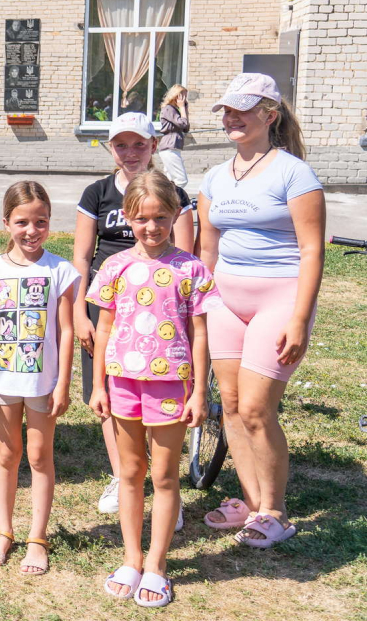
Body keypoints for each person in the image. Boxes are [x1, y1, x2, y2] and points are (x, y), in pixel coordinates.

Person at [197, 73, 325, 547]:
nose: (231, 117)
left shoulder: (294, 173)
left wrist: (299, 318)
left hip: (279, 298)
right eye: (226, 110)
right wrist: (200, 304)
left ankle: (276, 512)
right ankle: (251, 506)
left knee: (255, 408)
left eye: (242, 109)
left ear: (269, 115)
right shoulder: (214, 176)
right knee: (229, 405)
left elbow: (312, 251)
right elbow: (207, 252)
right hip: (226, 302)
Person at [87, 171, 218, 608]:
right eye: (141, 218)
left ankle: (157, 566)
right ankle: (131, 557)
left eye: (161, 217)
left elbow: (200, 335)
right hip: (122, 383)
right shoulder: (115, 266)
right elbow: (103, 328)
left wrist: (198, 392)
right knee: (130, 473)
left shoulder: (192, 269)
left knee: (163, 476)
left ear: (175, 216)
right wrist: (98, 385)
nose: (152, 226)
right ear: (127, 218)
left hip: (171, 387)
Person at [73, 111, 195, 514]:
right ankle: (122, 474)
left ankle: (162, 480)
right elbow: (82, 255)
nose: (130, 152)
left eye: (139, 144)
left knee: (159, 391)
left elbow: (187, 256)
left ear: (154, 145)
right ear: (111, 147)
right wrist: (78, 309)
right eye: (121, 144)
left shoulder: (173, 192)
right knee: (108, 389)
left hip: (162, 308)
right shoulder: (97, 192)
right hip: (109, 302)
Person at [0, 181, 78, 576]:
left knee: (38, 455)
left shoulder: (60, 270)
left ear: (50, 224)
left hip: (42, 384)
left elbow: (66, 330)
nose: (31, 230)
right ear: (5, 224)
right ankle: (3, 531)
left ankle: (37, 537)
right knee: (6, 454)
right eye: (22, 222)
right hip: (1, 382)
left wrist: (64, 384)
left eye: (41, 222)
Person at [158, 85, 191, 188]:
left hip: (172, 147)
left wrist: (184, 109)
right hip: (169, 147)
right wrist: (182, 108)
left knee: (170, 181)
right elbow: (183, 124)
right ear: (176, 96)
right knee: (181, 180)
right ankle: (175, 200)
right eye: (183, 96)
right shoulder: (168, 109)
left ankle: (168, 201)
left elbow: (186, 128)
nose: (185, 99)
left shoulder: (174, 110)